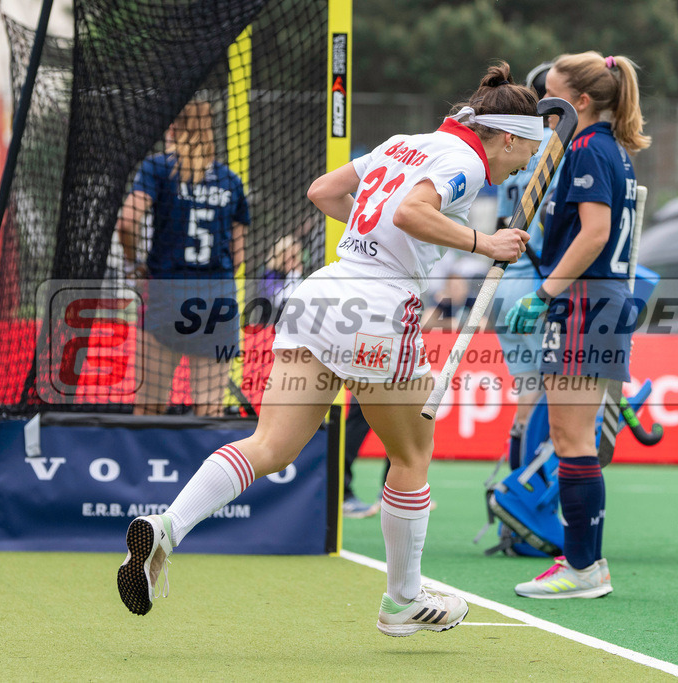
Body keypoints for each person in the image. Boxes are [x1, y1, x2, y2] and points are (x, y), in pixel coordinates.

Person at [117, 62, 541, 635]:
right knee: (411, 458)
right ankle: (402, 601)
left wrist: (386, 235)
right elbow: (411, 212)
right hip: (379, 305)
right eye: (527, 151)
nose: (527, 164)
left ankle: (168, 526)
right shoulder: (465, 161)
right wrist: (481, 240)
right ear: (511, 136)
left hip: (323, 290)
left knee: (269, 445)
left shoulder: (403, 143)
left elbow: (324, 192)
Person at [504, 52, 651, 598]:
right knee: (574, 437)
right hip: (595, 301)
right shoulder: (602, 146)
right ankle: (585, 563)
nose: (543, 105)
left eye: (552, 96)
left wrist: (544, 293)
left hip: (586, 303)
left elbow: (594, 233)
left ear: (580, 102)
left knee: (571, 437)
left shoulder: (590, 147)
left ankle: (583, 568)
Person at [116, 100, 249, 417]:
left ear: (173, 130)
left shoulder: (159, 169)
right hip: (217, 301)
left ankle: (148, 468)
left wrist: (134, 264)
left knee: (149, 408)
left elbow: (127, 221)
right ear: (209, 130)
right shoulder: (229, 180)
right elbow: (240, 256)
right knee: (209, 411)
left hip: (168, 294)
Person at [493, 60, 561, 470]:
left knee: (529, 393)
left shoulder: (516, 144)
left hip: (503, 283)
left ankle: (513, 487)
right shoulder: (556, 145)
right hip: (536, 286)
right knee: (551, 400)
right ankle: (524, 496)